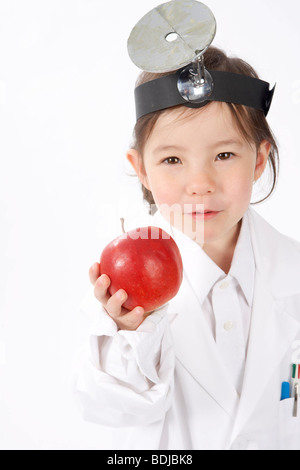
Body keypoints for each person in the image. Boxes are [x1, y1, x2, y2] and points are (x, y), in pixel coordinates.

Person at [73, 46, 300, 450]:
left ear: (259, 160)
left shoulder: (293, 270)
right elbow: (106, 407)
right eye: (173, 160)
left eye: (225, 154)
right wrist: (130, 333)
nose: (200, 183)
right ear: (141, 167)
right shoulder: (116, 287)